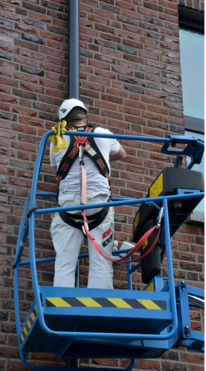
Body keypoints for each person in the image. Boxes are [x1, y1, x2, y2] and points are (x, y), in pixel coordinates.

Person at [50, 99, 127, 290]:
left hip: (68, 207)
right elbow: (122, 154)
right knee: (102, 264)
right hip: (99, 205)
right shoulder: (103, 134)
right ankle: (100, 309)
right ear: (86, 116)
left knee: (64, 264)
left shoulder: (56, 140)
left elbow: (58, 171)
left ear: (64, 121)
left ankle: (61, 306)